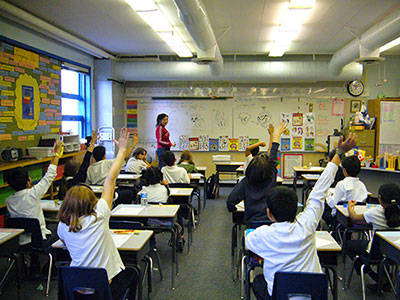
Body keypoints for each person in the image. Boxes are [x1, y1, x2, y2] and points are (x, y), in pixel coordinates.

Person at [245, 133, 357, 299]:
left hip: (280, 294)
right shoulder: (307, 224)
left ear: (269, 213)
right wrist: (339, 154)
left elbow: (248, 243)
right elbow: (320, 190)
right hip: (313, 293)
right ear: (295, 209)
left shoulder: (263, 234)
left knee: (259, 281)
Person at [57, 127, 139, 300]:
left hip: (76, 285)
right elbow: (110, 178)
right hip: (103, 286)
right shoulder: (99, 215)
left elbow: (66, 242)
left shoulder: (62, 226)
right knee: (133, 274)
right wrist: (123, 149)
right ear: (91, 202)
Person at [6, 140, 63, 278]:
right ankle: (50, 268)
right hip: (38, 241)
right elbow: (50, 175)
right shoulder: (33, 193)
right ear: (28, 182)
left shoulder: (9, 201)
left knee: (35, 230)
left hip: (20, 242)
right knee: (59, 231)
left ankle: (34, 264)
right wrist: (57, 153)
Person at [226, 121, 287, 225]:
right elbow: (272, 154)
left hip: (252, 223)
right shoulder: (271, 177)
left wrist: (233, 209)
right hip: (270, 223)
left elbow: (230, 202)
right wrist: (275, 135)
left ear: (250, 168)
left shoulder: (246, 182)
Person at [346, 183, 400, 292]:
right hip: (395, 253)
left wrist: (350, 207)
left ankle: (372, 274)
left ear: (380, 199)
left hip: (374, 253)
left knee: (348, 245)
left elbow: (355, 218)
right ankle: (384, 278)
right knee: (383, 253)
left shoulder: (376, 212)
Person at [58, 131, 98, 200]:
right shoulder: (77, 181)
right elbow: (86, 161)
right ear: (77, 172)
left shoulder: (62, 183)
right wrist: (92, 143)